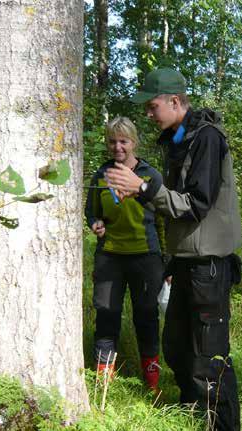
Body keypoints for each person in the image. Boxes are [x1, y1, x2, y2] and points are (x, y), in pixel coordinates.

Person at [105, 68, 242, 431]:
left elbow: (196, 204)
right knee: (177, 349)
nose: (149, 115)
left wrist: (145, 188)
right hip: (184, 263)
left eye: (152, 107)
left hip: (208, 265)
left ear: (176, 102)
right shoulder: (177, 140)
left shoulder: (208, 139)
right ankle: (191, 421)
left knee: (209, 359)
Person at [85, 116, 166, 391]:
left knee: (146, 315)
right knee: (107, 314)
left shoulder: (150, 175)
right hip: (110, 256)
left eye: (124, 141)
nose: (118, 146)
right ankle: (103, 380)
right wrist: (95, 223)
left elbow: (166, 218)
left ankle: (152, 382)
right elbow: (92, 211)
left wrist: (168, 265)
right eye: (112, 141)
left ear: (134, 143)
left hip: (147, 256)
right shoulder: (101, 175)